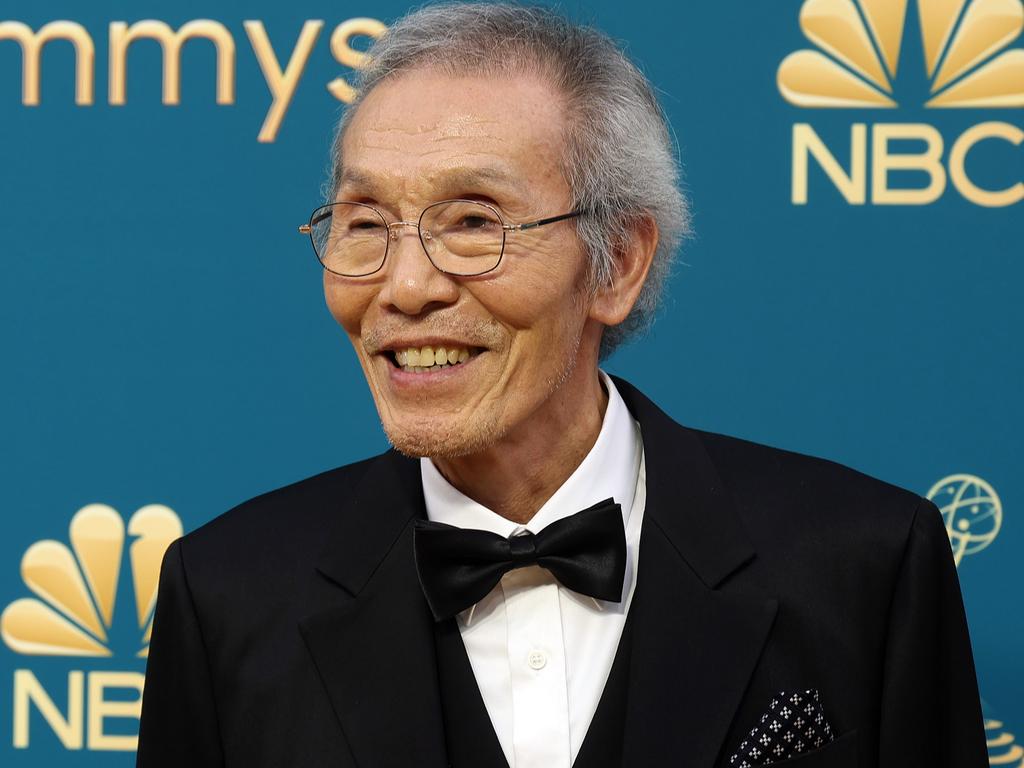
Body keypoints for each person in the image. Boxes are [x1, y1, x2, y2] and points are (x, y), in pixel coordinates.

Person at [135, 3, 988, 766]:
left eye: (472, 221)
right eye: (365, 225)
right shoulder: (225, 596)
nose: (403, 288)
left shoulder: (865, 562)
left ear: (616, 262)